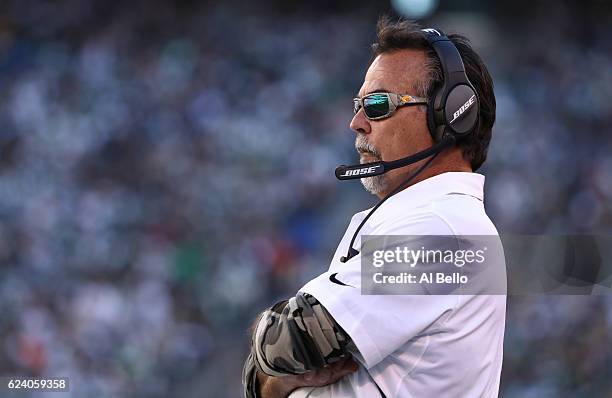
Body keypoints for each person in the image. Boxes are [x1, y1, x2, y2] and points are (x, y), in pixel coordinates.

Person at [243, 16, 505, 398]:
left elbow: (285, 339)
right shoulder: (430, 221)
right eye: (358, 105)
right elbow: (265, 372)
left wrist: (280, 369)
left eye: (377, 104)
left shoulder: (445, 232)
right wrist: (275, 371)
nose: (356, 123)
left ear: (451, 115)